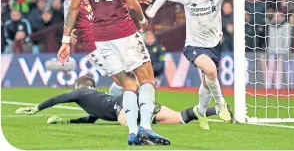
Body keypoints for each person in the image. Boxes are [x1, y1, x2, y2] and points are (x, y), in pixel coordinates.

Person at [57, 0, 169, 145]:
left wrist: (65, 40)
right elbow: (130, 4)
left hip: (100, 37)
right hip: (123, 31)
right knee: (146, 79)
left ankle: (133, 132)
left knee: (128, 84)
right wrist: (143, 20)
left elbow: (73, 8)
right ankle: (146, 127)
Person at [146, 0, 256, 129]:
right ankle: (221, 105)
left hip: (213, 45)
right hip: (193, 46)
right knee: (211, 71)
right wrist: (152, 11)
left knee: (207, 80)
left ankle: (201, 111)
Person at [63, 0, 151, 97]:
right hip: (93, 46)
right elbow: (68, 20)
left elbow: (111, 7)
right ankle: (119, 107)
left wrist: (135, 0)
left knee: (128, 78)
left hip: (106, 39)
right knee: (123, 80)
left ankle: (115, 104)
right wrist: (68, 36)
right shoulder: (70, 0)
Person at [15, 75, 233, 127]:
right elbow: (92, 119)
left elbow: (60, 97)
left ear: (81, 87)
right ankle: (217, 109)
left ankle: (144, 133)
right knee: (179, 118)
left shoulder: (82, 94)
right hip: (135, 102)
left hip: (123, 103)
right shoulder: (94, 99)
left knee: (124, 121)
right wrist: (65, 122)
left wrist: (37, 108)